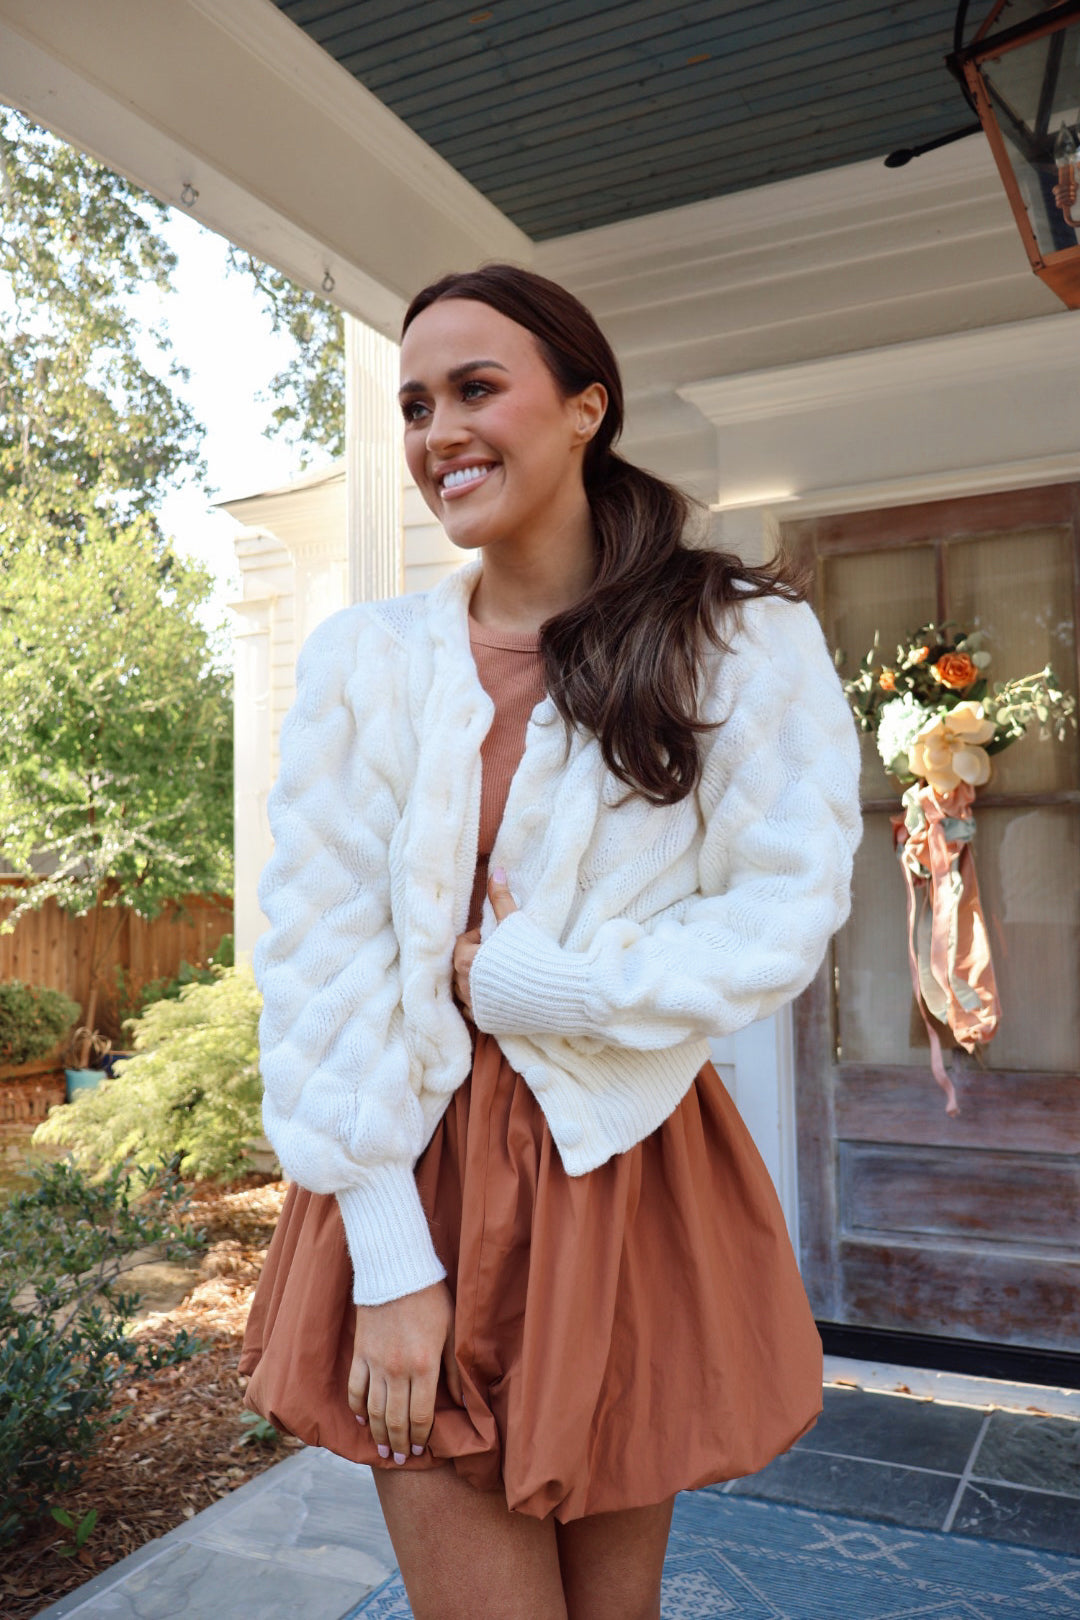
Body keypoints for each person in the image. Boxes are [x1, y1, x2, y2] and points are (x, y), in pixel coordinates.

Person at [240, 264, 862, 1620]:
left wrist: (544, 983)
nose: (436, 433)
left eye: (476, 389)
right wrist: (394, 1264)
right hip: (414, 1173)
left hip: (626, 1179)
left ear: (586, 408)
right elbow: (319, 968)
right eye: (413, 405)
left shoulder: (736, 641)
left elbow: (785, 909)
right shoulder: (366, 662)